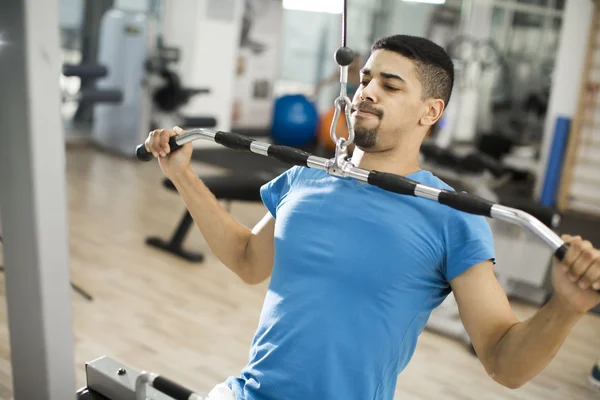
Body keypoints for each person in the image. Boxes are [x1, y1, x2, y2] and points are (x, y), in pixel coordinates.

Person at [143, 35, 600, 400]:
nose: (367, 91)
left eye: (391, 84)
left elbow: (504, 363)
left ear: (431, 112)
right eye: (365, 79)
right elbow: (248, 260)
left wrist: (564, 308)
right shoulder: (307, 176)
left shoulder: (451, 215)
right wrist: (182, 176)